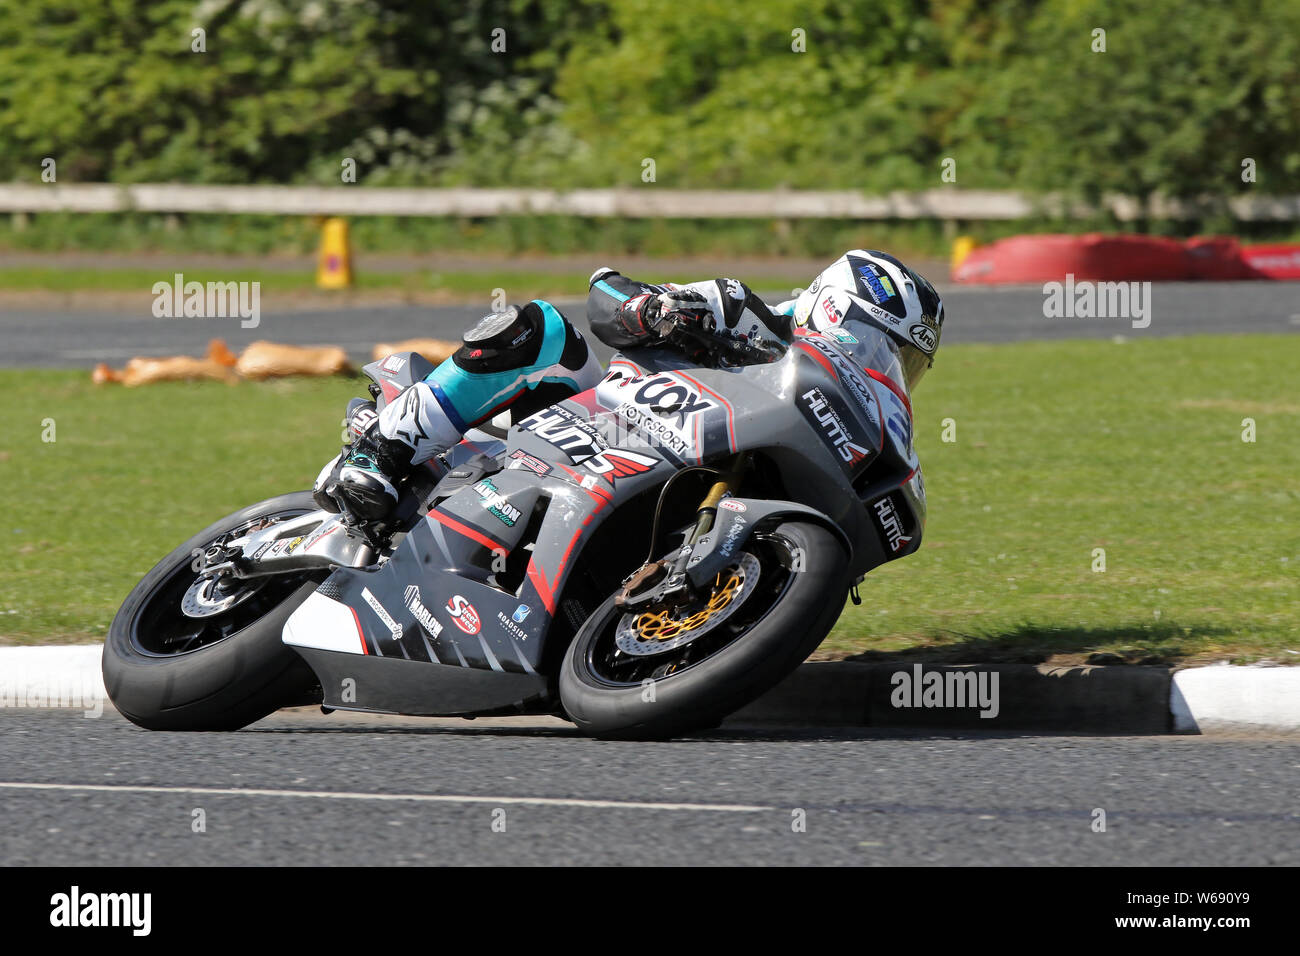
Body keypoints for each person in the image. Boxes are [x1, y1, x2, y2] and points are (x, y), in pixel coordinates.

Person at [312, 250, 944, 520]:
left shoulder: (846, 407)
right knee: (543, 330)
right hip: (602, 417)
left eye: (903, 364)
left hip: (664, 468)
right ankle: (384, 451)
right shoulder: (743, 308)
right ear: (835, 311)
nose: (885, 370)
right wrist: (651, 308)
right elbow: (605, 293)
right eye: (883, 348)